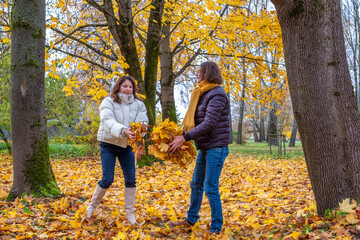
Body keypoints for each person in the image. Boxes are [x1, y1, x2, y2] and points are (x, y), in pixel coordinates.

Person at [169, 61, 231, 235]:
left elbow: (209, 123)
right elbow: (195, 120)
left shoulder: (217, 94)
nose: (196, 74)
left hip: (216, 147)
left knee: (210, 186)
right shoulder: (202, 93)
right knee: (196, 184)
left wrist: (185, 138)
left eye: (199, 71)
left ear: (208, 73)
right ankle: (190, 219)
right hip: (205, 146)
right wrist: (177, 134)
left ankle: (216, 227)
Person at [85, 75, 148, 224]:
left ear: (134, 89)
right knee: (107, 179)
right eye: (125, 86)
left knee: (131, 179)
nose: (128, 89)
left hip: (126, 146)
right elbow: (107, 121)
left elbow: (143, 123)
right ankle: (91, 207)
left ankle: (130, 215)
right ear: (118, 87)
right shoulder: (108, 102)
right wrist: (124, 130)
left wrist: (138, 133)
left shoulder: (139, 105)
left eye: (130, 87)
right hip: (109, 144)